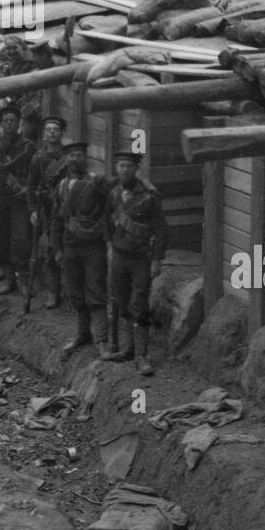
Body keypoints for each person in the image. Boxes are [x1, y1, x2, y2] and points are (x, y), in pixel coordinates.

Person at [103, 150, 168, 376]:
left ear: (136, 169)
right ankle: (128, 349)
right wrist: (110, 247)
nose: (124, 170)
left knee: (139, 303)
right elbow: (106, 223)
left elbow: (161, 230)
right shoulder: (113, 194)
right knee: (121, 301)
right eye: (121, 166)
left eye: (129, 167)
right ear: (116, 168)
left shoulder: (149, 196)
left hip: (141, 258)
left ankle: (142, 356)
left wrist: (157, 260)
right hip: (119, 256)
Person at [51, 141, 112, 357]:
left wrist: (104, 232)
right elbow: (56, 220)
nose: (75, 159)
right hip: (70, 246)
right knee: (75, 291)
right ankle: (82, 334)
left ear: (85, 158)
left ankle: (102, 340)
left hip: (93, 246)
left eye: (78, 155)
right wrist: (57, 248)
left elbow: (112, 207)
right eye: (70, 155)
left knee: (95, 290)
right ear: (65, 160)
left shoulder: (96, 182)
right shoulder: (61, 186)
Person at [0, 103, 35, 296]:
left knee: (21, 238)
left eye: (13, 121)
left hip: (19, 198)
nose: (9, 124)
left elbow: (35, 174)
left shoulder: (28, 147)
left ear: (19, 124)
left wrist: (28, 188)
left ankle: (24, 278)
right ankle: (10, 277)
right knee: (0, 239)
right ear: (1, 125)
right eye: (5, 121)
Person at [25, 115, 69, 309]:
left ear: (61, 133)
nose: (52, 132)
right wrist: (33, 210)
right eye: (49, 129)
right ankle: (54, 292)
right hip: (47, 210)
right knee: (50, 251)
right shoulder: (38, 158)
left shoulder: (69, 157)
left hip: (66, 209)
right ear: (44, 134)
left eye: (56, 129)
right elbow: (31, 186)